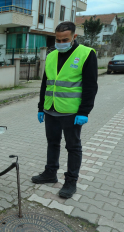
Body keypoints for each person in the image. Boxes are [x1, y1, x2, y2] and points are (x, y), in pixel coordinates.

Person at [31, 21, 98, 199]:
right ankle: (50, 173)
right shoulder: (52, 55)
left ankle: (70, 181)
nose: (61, 43)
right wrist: (40, 107)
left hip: (72, 112)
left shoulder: (86, 54)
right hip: (50, 110)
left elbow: (91, 86)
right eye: (58, 40)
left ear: (74, 37)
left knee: (73, 147)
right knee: (52, 143)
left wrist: (84, 111)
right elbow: (45, 83)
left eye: (65, 39)